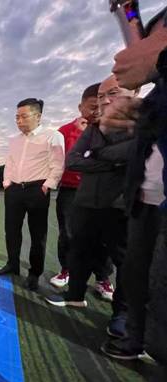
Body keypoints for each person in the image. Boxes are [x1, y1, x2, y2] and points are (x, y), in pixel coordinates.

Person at [100, 10, 167, 382]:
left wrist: (160, 55)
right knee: (138, 279)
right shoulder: (155, 97)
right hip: (144, 200)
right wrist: (139, 115)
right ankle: (134, 339)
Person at [45, 75, 137, 339]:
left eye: (113, 93)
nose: (105, 100)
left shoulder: (142, 123)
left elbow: (134, 154)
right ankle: (75, 295)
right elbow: (74, 160)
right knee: (80, 248)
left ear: (134, 92)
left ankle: (121, 314)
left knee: (123, 259)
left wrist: (96, 156)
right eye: (101, 96)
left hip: (120, 203)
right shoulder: (95, 128)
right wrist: (110, 162)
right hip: (86, 201)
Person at [51, 83, 115, 301]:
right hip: (72, 190)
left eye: (101, 105)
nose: (97, 110)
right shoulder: (64, 131)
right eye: (92, 106)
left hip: (106, 190)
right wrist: (81, 134)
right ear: (81, 107)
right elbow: (65, 161)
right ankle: (66, 270)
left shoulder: (115, 127)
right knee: (68, 233)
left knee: (104, 236)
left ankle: (102, 278)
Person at [0, 98, 64, 291]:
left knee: (37, 234)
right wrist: (6, 183)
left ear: (38, 116)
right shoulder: (14, 140)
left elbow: (58, 164)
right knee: (11, 230)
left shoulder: (52, 136)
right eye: (17, 117)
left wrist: (48, 185)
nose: (19, 121)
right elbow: (10, 163)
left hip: (37, 190)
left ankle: (34, 273)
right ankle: (12, 264)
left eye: (24, 116)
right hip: (14, 189)